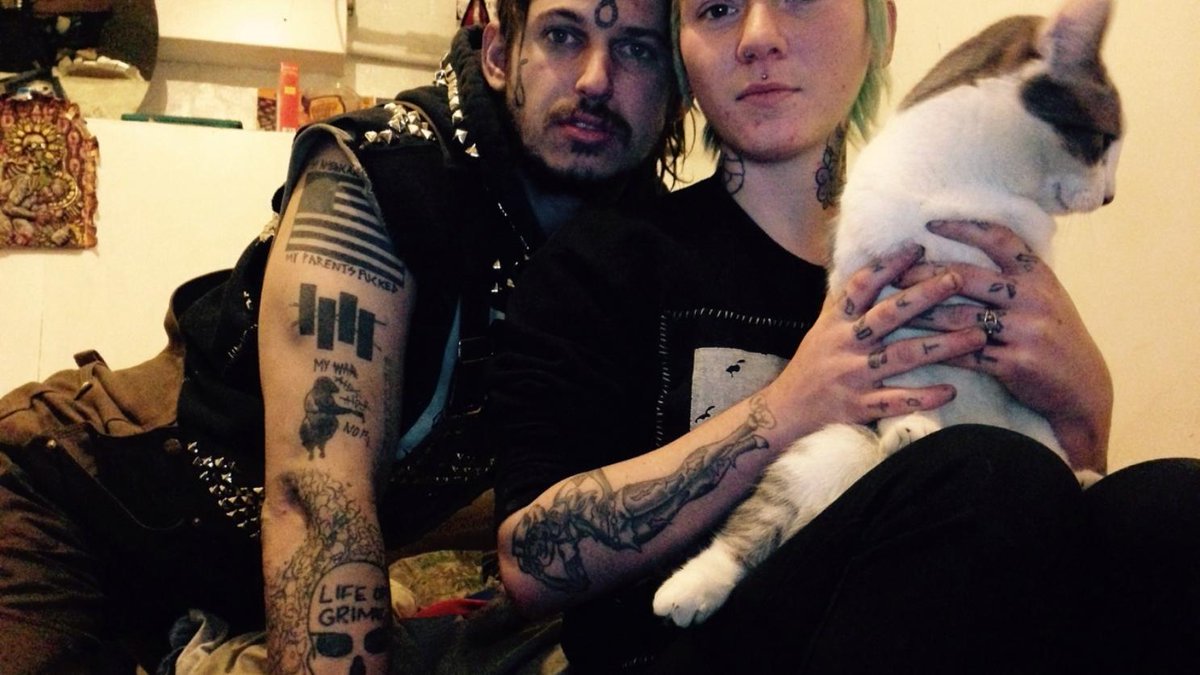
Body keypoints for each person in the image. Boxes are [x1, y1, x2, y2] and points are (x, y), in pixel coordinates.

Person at [488, 0, 1200, 673]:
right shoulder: (605, 260)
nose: (758, 37)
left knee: (1172, 508)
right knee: (983, 473)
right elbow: (527, 565)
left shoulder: (974, 248)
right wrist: (785, 409)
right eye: (716, 9)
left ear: (879, 27)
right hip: (679, 650)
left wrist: (1084, 411)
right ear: (682, 53)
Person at [0, 1, 685, 672]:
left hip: (228, 595)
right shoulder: (386, 173)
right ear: (501, 55)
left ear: (675, 82)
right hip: (65, 505)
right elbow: (316, 502)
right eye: (563, 35)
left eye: (638, 48)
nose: (596, 79)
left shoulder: (641, 254)